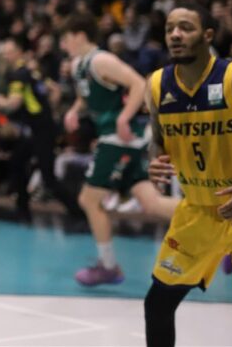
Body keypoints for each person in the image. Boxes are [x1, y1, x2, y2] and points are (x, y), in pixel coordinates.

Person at [145, 4, 232, 346]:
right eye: (170, 29)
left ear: (208, 35)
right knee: (157, 306)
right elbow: (157, 139)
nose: (175, 35)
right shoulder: (156, 85)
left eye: (185, 27)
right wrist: (154, 160)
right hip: (196, 213)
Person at [61, 14, 178, 286]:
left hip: (118, 139)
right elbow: (85, 95)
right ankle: (221, 222)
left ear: (80, 35)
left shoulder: (101, 60)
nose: (63, 45)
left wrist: (124, 117)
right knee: (152, 203)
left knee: (89, 200)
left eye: (65, 38)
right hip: (116, 139)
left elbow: (139, 83)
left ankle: (109, 266)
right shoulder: (79, 64)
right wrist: (74, 110)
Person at [0, 38, 83, 222]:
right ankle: (23, 210)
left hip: (40, 130)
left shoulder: (19, 75)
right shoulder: (33, 72)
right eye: (4, 53)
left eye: (9, 52)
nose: (6, 56)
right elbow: (55, 90)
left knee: (47, 177)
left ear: (19, 52)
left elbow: (14, 102)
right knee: (17, 163)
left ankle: (79, 214)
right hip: (39, 128)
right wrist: (48, 109)